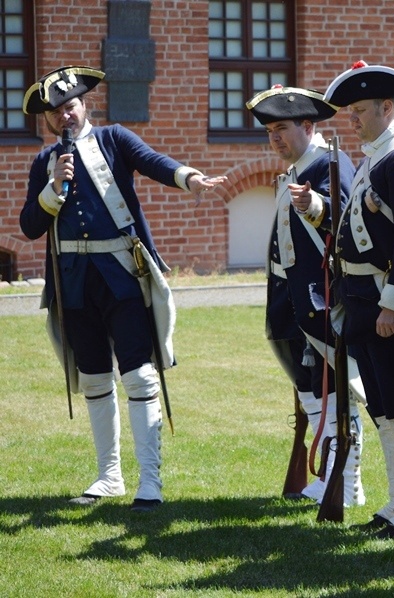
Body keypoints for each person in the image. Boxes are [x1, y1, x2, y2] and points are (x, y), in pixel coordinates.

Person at [19, 66, 226, 512]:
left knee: (138, 375)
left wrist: (189, 177)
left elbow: (155, 162)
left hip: (121, 276)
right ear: (48, 121)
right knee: (94, 379)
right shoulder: (45, 164)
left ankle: (149, 482)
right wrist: (53, 188)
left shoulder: (114, 139)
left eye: (69, 107)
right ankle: (108, 476)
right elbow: (30, 227)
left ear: (84, 105)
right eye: (55, 113)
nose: (64, 117)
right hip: (73, 284)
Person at [323, 60, 394, 539]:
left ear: (389, 106)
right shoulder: (378, 156)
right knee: (384, 411)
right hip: (364, 302)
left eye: (362, 110)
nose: (354, 119)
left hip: (387, 304)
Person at [245, 84, 365, 507]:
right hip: (289, 298)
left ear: (308, 126)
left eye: (282, 128)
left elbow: (347, 218)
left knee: (334, 390)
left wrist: (317, 204)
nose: (275, 138)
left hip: (320, 298)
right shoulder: (297, 170)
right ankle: (328, 477)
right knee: (309, 390)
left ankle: (346, 482)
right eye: (269, 132)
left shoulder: (330, 164)